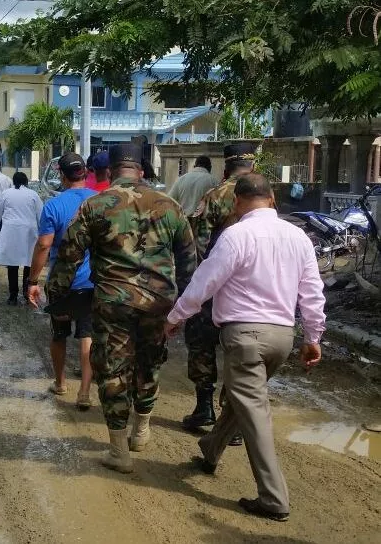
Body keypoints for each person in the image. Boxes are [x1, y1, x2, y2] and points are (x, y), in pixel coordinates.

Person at [165, 173, 325, 522]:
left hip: (245, 338)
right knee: (244, 401)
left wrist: (176, 316)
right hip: (282, 338)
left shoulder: (235, 235)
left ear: (236, 203)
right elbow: (312, 291)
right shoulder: (298, 237)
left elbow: (205, 282)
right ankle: (210, 451)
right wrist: (313, 337)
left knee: (254, 413)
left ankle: (273, 499)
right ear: (272, 200)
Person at [46, 141, 197, 473]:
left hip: (113, 302)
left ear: (110, 171)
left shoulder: (95, 205)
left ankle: (119, 452)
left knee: (113, 369)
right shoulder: (169, 205)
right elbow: (189, 263)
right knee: (149, 363)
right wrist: (184, 309)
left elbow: (68, 257)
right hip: (159, 302)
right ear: (141, 170)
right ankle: (141, 431)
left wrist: (54, 296)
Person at [182, 142, 259, 441]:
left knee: (201, 344)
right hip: (250, 291)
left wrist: (194, 288)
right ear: (251, 166)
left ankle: (204, 408)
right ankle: (233, 422)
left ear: (225, 167)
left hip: (215, 289)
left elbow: (198, 248)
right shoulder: (266, 197)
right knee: (239, 352)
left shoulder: (213, 197)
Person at [27, 152, 96, 409]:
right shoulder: (98, 201)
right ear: (85, 173)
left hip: (63, 283)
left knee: (59, 334)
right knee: (88, 335)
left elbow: (44, 245)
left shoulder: (53, 206)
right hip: (92, 282)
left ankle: (61, 382)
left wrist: (32, 281)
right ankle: (86, 391)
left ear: (62, 175)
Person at [0, 172, 43, 305]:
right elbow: (41, 215)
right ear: (26, 182)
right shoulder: (33, 194)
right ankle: (27, 293)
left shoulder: (6, 193)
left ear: (13, 181)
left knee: (12, 265)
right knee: (28, 263)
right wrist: (42, 232)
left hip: (11, 231)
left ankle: (13, 296)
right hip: (29, 232)